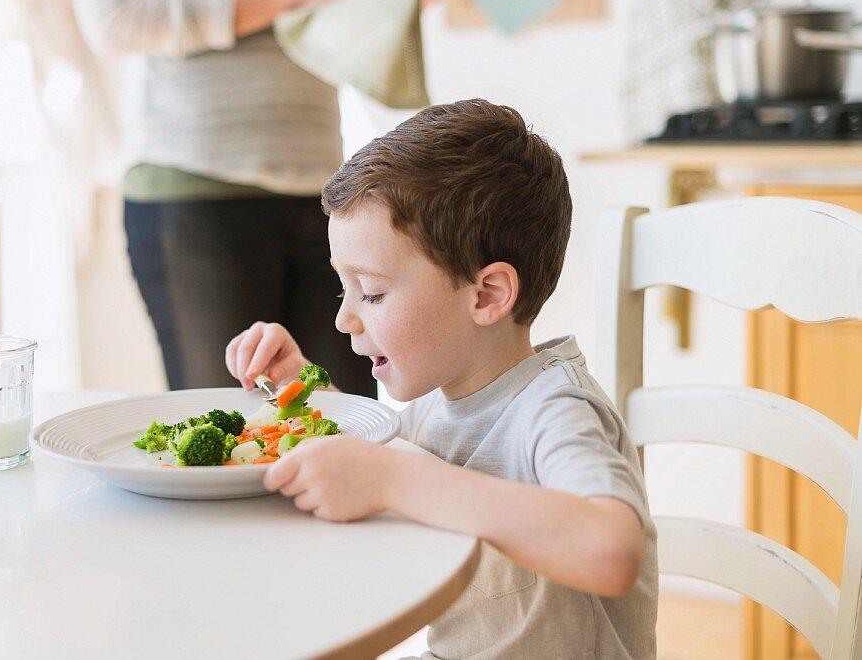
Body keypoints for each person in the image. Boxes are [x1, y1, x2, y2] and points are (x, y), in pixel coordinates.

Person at [225, 99, 658, 659]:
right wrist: (298, 384)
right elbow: (371, 451)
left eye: (373, 292)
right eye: (343, 289)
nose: (343, 318)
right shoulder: (441, 404)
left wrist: (393, 480)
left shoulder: (556, 408)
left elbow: (611, 550)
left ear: (487, 295)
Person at [64, 0, 376, 395]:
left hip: (322, 185)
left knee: (351, 420)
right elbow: (115, 18)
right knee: (232, 427)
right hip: (197, 184)